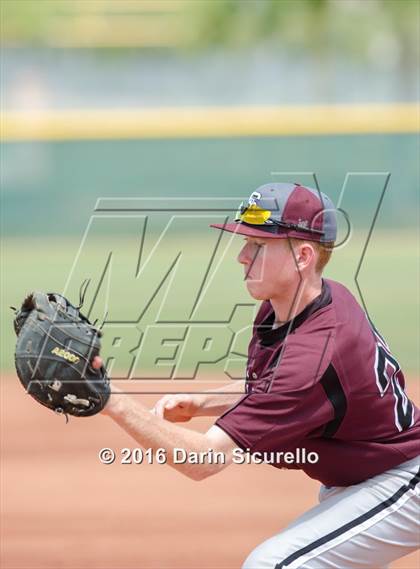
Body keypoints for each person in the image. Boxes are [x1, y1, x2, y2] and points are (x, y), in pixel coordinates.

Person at [95, 183, 420, 568]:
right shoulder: (301, 302)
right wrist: (204, 403)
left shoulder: (314, 352)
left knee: (273, 564)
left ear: (303, 256)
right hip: (366, 480)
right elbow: (276, 384)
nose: (242, 256)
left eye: (258, 245)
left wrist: (110, 400)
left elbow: (204, 460)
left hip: (402, 484)